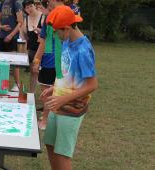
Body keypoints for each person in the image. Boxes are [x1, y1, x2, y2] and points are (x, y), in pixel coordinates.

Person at [42, 5, 98, 170]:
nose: (55, 36)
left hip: (72, 108)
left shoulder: (83, 50)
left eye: (56, 32)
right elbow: (67, 72)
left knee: (62, 153)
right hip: (58, 104)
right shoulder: (66, 42)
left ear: (66, 29)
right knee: (50, 145)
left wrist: (63, 98)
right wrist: (54, 87)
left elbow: (92, 85)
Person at [32, 0, 65, 130]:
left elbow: (43, 42)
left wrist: (36, 60)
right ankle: (48, 116)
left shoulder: (55, 18)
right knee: (51, 92)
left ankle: (45, 120)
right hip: (54, 61)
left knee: (48, 94)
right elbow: (43, 41)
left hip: (53, 61)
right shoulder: (50, 19)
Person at [0, 0, 24, 92]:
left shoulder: (16, 4)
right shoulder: (2, 4)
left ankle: (17, 85)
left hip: (12, 38)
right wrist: (1, 27)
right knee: (0, 61)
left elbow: (20, 22)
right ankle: (0, 83)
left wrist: (11, 35)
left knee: (13, 62)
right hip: (2, 37)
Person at [20, 0, 45, 93]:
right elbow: (24, 34)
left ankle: (45, 94)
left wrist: (40, 31)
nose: (29, 9)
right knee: (33, 73)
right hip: (31, 50)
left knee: (43, 73)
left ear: (35, 5)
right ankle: (31, 93)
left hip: (42, 50)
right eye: (26, 7)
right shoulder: (26, 19)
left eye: (30, 6)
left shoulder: (42, 17)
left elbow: (48, 34)